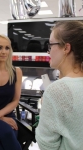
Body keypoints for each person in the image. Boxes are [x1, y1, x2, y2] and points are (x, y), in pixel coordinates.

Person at [36, 20, 83, 150]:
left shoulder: (57, 91)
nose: (49, 52)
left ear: (66, 48)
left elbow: (46, 146)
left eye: (51, 45)